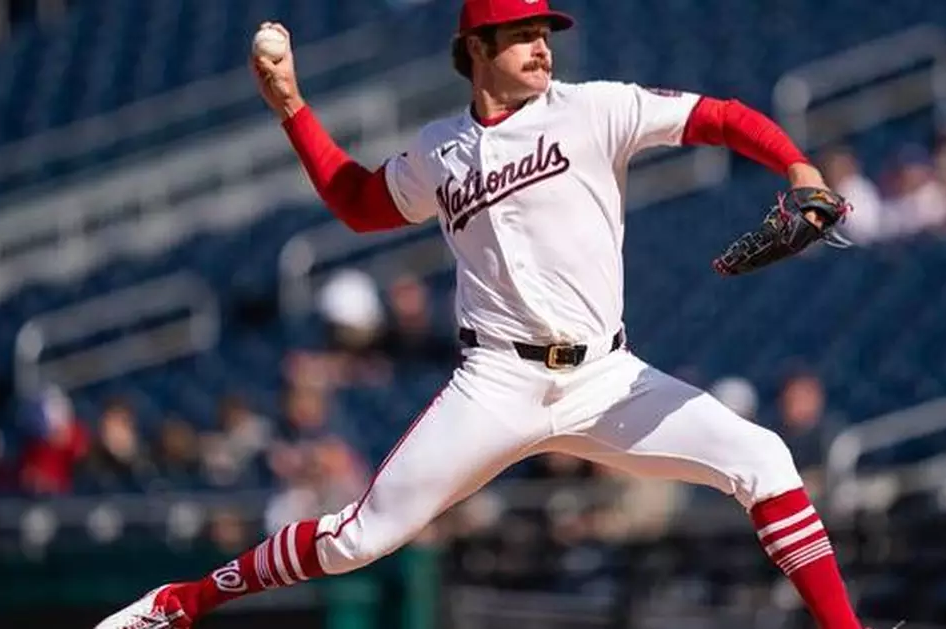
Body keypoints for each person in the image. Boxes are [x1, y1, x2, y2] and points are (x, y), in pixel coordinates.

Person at [96, 2, 868, 627]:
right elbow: (360, 204)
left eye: (545, 32)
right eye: (523, 34)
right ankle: (182, 603)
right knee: (357, 538)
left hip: (606, 375)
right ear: (475, 48)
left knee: (765, 459)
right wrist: (293, 108)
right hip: (496, 380)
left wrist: (798, 168)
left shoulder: (597, 109)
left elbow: (722, 117)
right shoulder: (441, 150)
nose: (543, 46)